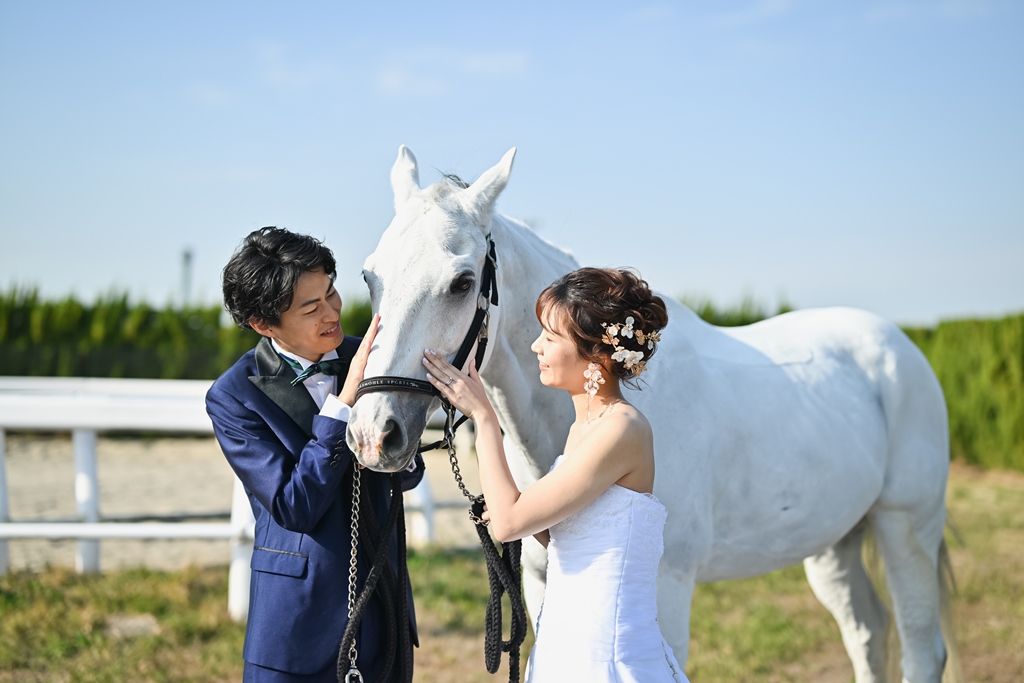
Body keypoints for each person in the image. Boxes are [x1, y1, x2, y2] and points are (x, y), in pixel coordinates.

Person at [422, 266, 689, 683]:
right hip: (565, 638)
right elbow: (564, 532)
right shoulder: (583, 428)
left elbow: (510, 524)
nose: (535, 347)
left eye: (550, 337)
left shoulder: (622, 429)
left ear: (598, 353)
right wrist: (518, 511)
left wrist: (484, 417)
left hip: (603, 650)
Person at [206, 226, 422, 683]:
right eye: (311, 307)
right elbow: (293, 506)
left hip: (385, 611)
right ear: (264, 325)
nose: (332, 312)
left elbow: (404, 476)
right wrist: (342, 406)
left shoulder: (371, 358)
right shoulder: (232, 396)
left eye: (331, 293)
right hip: (295, 630)